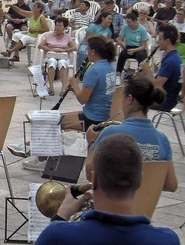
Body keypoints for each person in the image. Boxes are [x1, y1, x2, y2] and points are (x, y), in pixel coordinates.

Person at [35, 133, 179, 245]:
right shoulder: (167, 240)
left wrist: (60, 217)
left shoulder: (58, 235)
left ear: (95, 179)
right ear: (140, 180)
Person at [20, 36, 116, 171]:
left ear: (93, 52)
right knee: (58, 118)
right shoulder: (109, 67)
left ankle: (42, 160)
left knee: (52, 122)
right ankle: (34, 146)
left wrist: (74, 84)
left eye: (88, 50)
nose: (87, 52)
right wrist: (76, 88)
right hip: (102, 113)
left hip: (93, 117)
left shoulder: (94, 70)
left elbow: (83, 99)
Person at [84, 74, 178, 192]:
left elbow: (90, 174)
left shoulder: (111, 132)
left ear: (129, 99)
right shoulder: (162, 139)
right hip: (144, 209)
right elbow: (171, 185)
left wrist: (91, 143)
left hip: (112, 206)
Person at [140, 23, 182, 112]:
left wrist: (147, 71)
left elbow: (157, 86)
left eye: (160, 39)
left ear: (167, 41)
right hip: (169, 98)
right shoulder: (175, 56)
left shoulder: (170, 61)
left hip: (163, 101)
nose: (158, 41)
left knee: (132, 98)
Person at [38, 17, 77, 96]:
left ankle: (63, 88)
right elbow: (40, 45)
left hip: (63, 56)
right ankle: (51, 87)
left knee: (62, 63)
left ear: (64, 27)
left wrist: (64, 50)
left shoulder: (67, 37)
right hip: (51, 55)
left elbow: (75, 47)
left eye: (60, 26)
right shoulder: (49, 35)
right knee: (52, 62)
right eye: (56, 25)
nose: (57, 27)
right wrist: (49, 49)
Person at [115, 12, 149, 84]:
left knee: (141, 56)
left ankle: (141, 76)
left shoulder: (142, 30)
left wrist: (134, 50)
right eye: (127, 22)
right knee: (122, 55)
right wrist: (122, 43)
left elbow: (144, 46)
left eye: (129, 22)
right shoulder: (125, 28)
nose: (128, 24)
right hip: (128, 47)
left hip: (139, 48)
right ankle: (118, 75)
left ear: (135, 21)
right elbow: (119, 39)